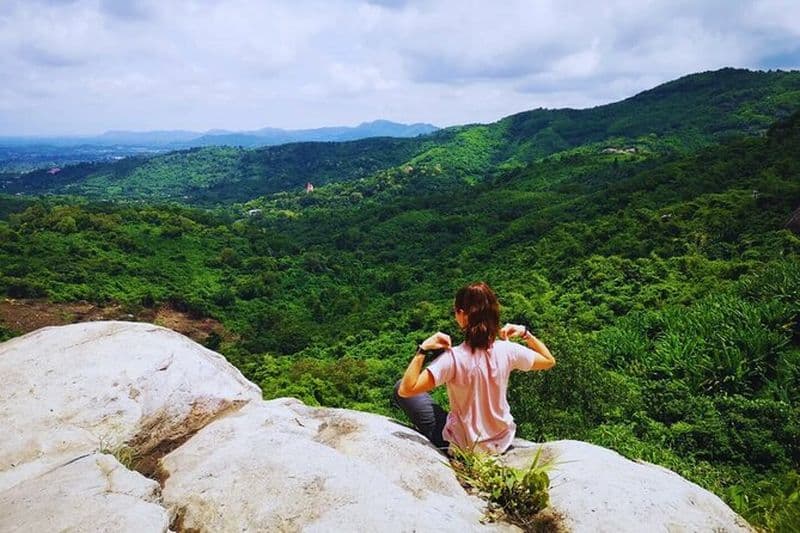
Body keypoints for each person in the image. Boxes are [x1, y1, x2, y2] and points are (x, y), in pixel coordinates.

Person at [392, 282, 555, 455]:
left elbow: (406, 390)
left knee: (398, 386)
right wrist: (525, 333)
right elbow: (549, 360)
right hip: (501, 441)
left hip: (464, 447)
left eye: (456, 311)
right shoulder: (508, 350)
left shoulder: (452, 358)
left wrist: (423, 349)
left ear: (462, 315)